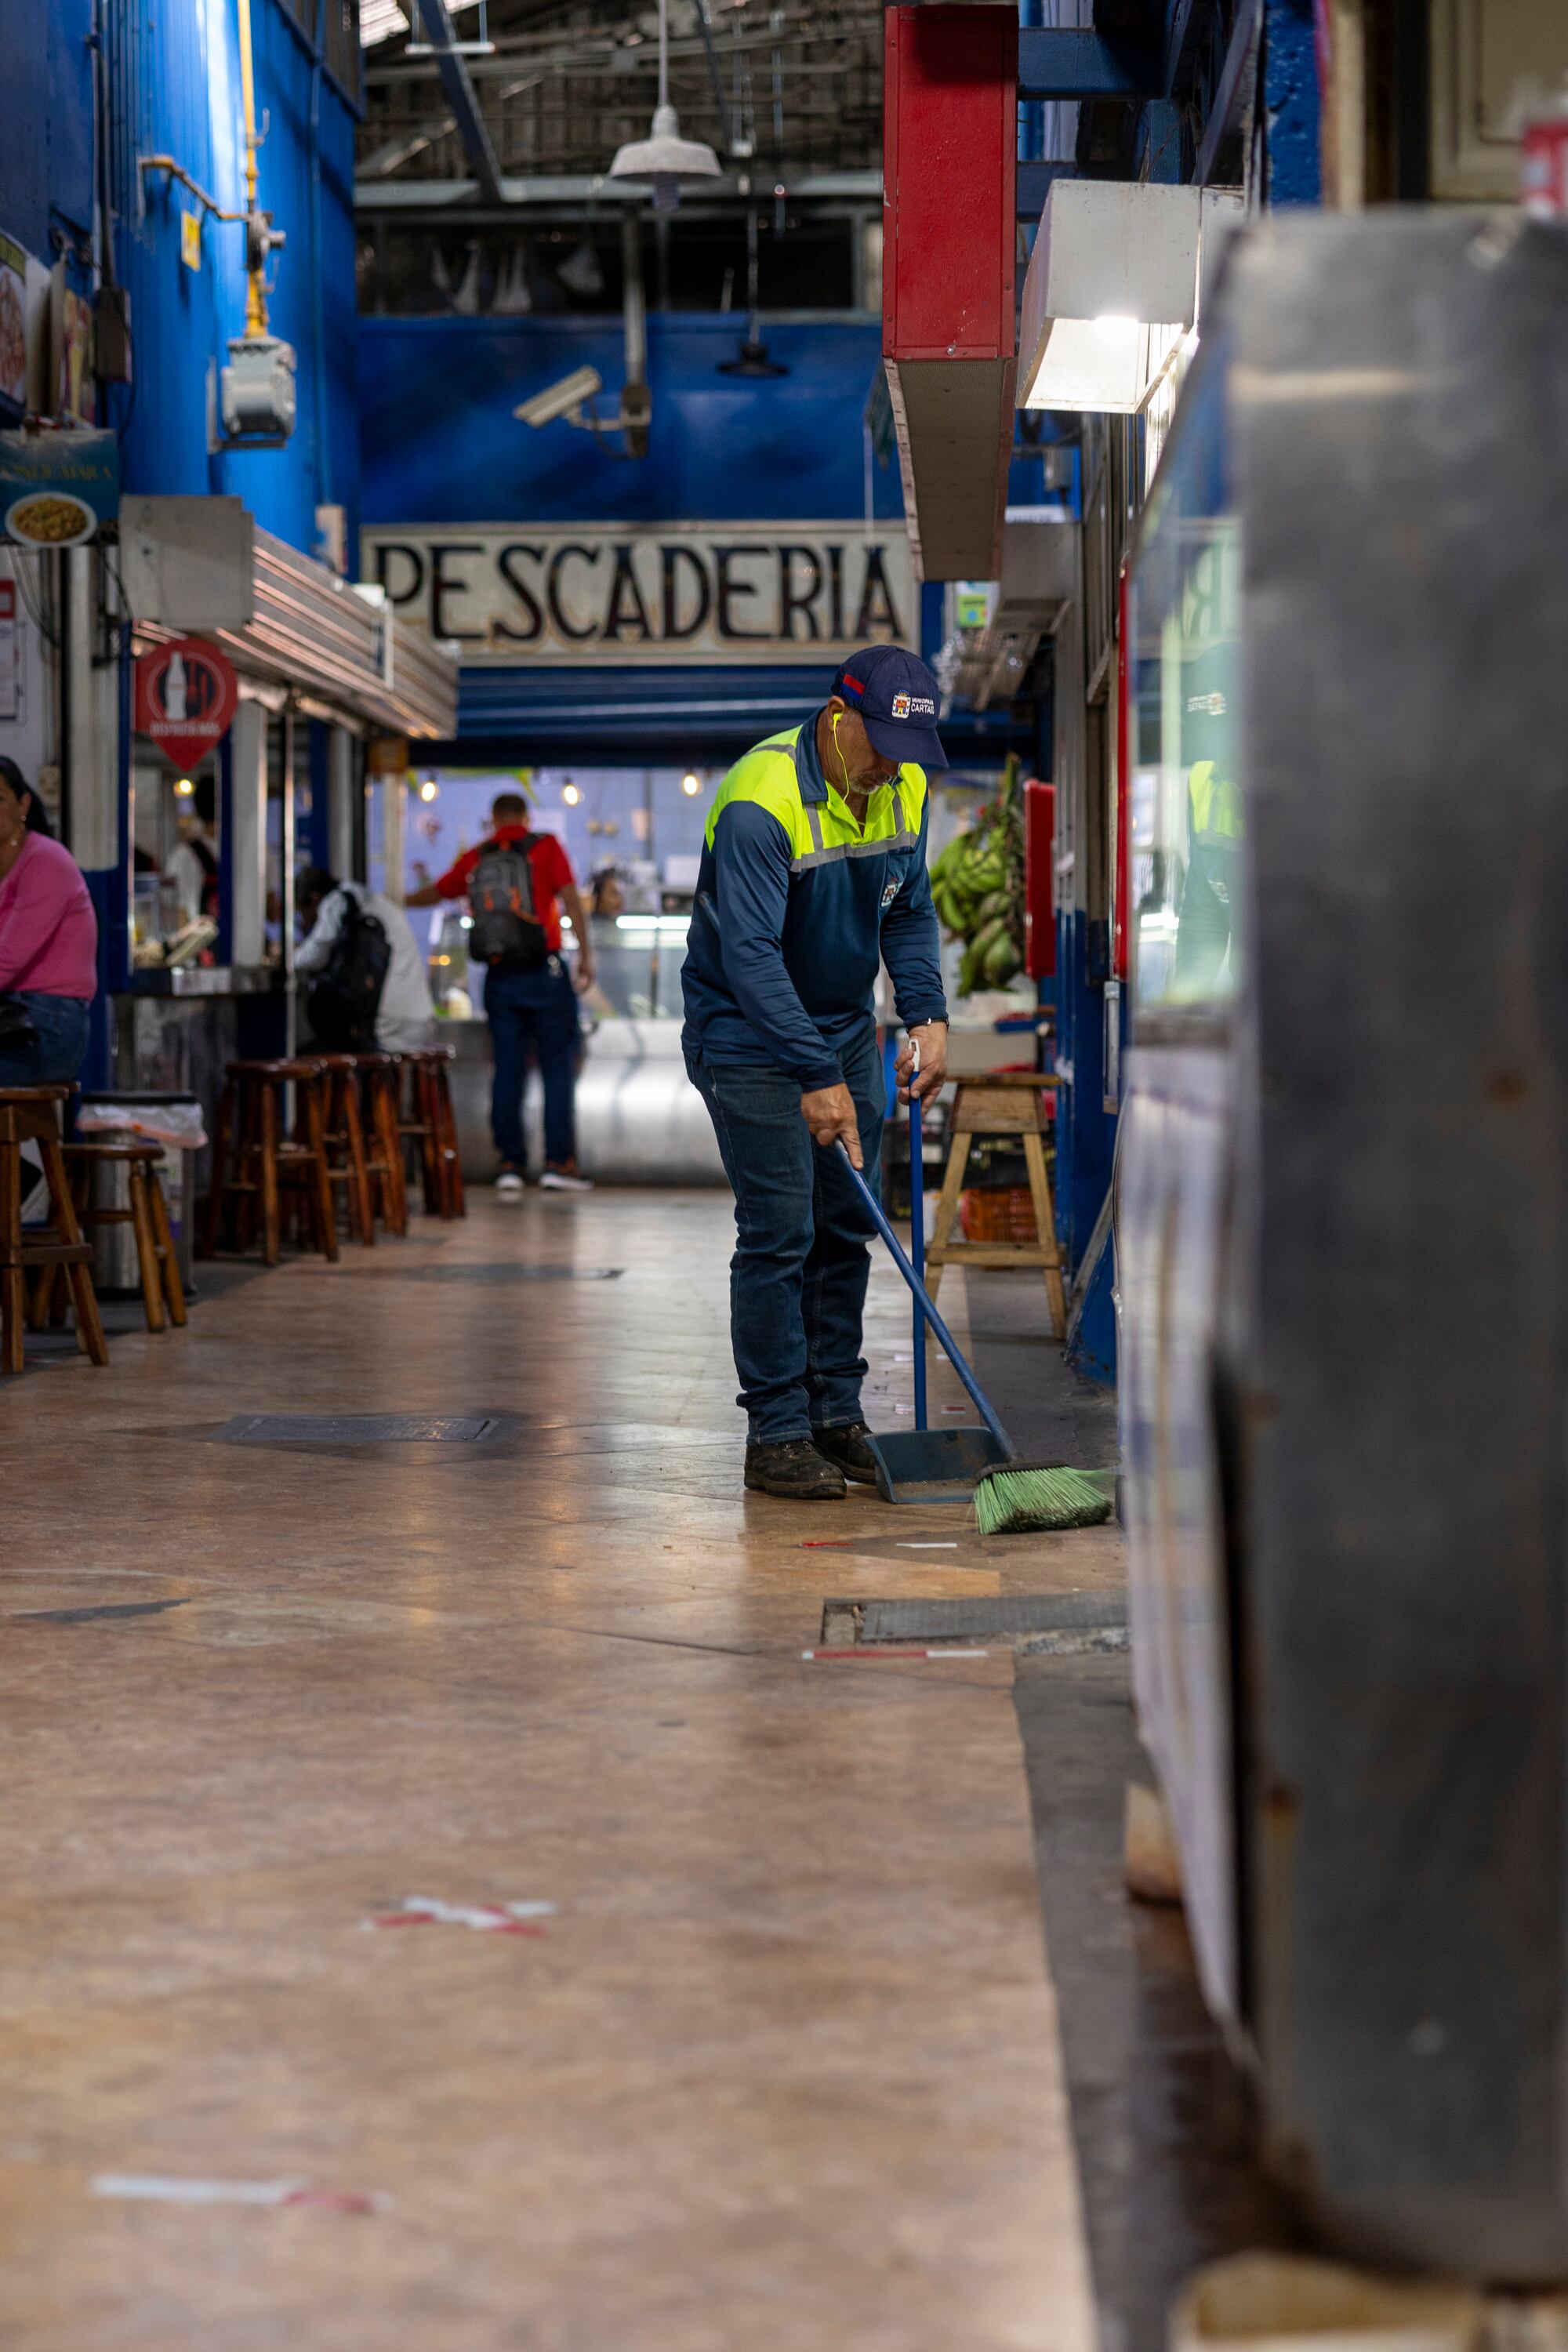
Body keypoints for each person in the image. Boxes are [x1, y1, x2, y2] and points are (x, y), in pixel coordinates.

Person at [681, 646, 949, 1501]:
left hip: (838, 1030)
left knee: (847, 1224)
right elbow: (750, 957)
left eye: (903, 753)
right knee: (780, 1231)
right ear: (837, 722)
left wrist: (927, 1013)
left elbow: (906, 913)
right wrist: (812, 1072)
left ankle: (835, 1413)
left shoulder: (901, 783)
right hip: (746, 1036)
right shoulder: (760, 800)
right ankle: (778, 1432)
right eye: (876, 747)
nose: (889, 768)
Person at [408, 791, 594, 1196]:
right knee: (556, 1070)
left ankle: (509, 1163)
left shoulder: (478, 855)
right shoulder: (545, 848)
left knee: (507, 1069)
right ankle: (557, 1163)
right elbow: (571, 901)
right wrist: (585, 956)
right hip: (544, 973)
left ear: (493, 818)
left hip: (499, 976)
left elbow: (439, 891)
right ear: (525, 816)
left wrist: (396, 899)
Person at [0, 757, 98, 1089]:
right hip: (11, 1018)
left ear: (23, 803)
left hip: (48, 1027)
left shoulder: (46, 861)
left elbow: (7, 961)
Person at [294, 866, 436, 1054]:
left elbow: (315, 953)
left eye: (302, 912)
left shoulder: (340, 901)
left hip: (388, 1025)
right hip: (421, 1018)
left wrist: (284, 960)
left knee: (310, 1056)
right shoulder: (368, 899)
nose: (304, 921)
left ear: (314, 898)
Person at [168, 782, 220, 927]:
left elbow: (180, 911)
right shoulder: (255, 854)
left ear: (197, 810)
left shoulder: (183, 854)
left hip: (199, 941)